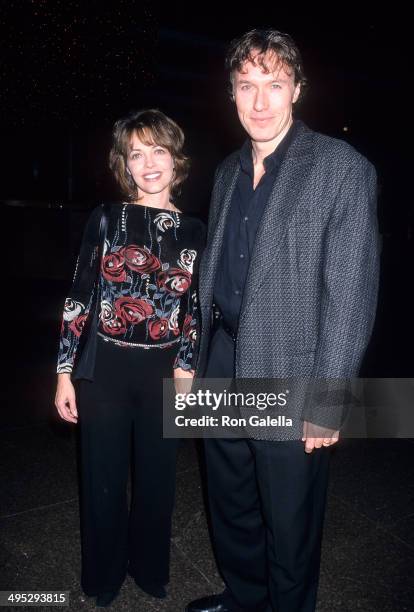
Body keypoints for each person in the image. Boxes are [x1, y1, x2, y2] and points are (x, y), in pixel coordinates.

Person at [187, 29, 379, 612]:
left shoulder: (340, 168)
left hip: (291, 371)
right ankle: (244, 597)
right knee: (230, 498)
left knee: (290, 521)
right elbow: (212, 274)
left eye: (275, 84)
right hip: (221, 358)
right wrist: (191, 361)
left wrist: (329, 398)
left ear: (297, 89)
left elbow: (351, 291)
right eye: (248, 86)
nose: (261, 101)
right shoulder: (224, 173)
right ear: (232, 94)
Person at [54, 109, 205, 607]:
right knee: (102, 478)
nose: (149, 163)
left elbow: (196, 308)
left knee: (158, 478)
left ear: (176, 159)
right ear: (126, 164)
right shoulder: (105, 218)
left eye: (158, 150)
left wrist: (186, 368)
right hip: (107, 370)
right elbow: (79, 295)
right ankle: (102, 577)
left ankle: (150, 570)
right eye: (136, 154)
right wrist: (64, 373)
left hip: (164, 370)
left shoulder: (197, 231)